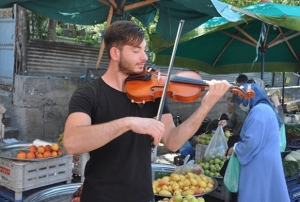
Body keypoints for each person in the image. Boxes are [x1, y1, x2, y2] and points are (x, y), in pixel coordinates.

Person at [63, 21, 230, 202]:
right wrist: (128, 122)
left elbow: (173, 142)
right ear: (115, 53)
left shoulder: (153, 94)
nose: (144, 57)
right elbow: (72, 143)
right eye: (136, 51)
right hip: (100, 196)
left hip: (142, 197)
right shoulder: (89, 95)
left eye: (144, 50)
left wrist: (205, 106)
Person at [226, 82, 289, 202]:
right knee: (266, 194)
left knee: (257, 194)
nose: (242, 104)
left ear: (251, 96)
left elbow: (252, 142)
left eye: (243, 99)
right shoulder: (263, 109)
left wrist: (235, 149)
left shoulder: (260, 111)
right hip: (264, 160)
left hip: (260, 163)